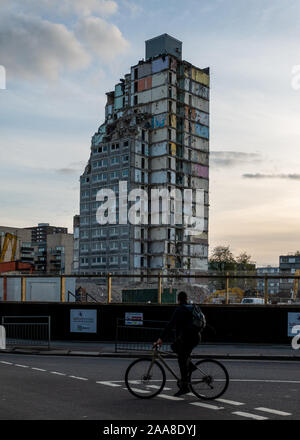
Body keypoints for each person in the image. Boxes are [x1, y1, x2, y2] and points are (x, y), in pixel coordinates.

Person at [154, 291, 200, 397]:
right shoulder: (189, 308)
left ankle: (185, 387)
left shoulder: (180, 309)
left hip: (188, 339)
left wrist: (160, 339)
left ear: (178, 299)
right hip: (194, 337)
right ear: (187, 298)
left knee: (181, 358)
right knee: (179, 352)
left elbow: (170, 325)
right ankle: (190, 366)